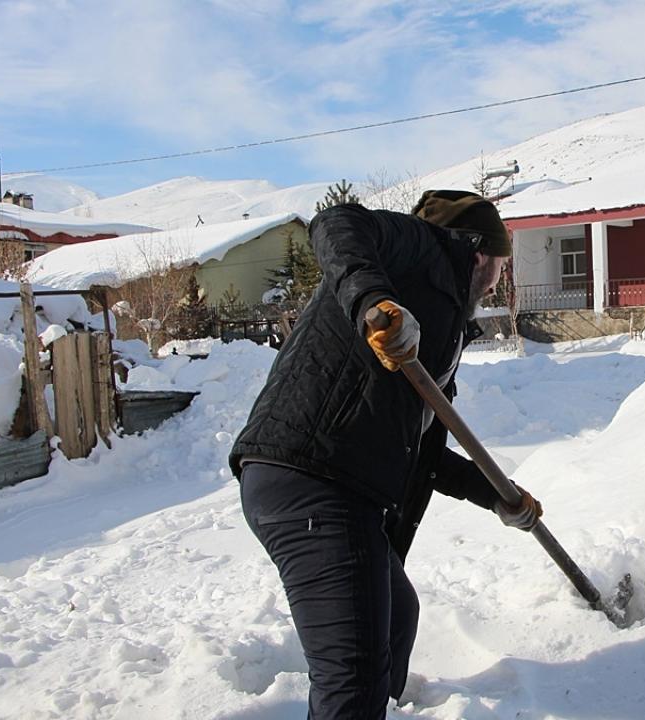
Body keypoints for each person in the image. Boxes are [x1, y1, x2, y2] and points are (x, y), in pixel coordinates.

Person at [229, 189, 544, 718]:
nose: (497, 280)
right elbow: (335, 223)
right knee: (352, 681)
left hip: (334, 485)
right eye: (499, 263)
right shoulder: (420, 250)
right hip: (313, 481)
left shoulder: (437, 320)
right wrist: (374, 301)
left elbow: (424, 454)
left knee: (397, 616)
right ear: (477, 253)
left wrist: (498, 496)